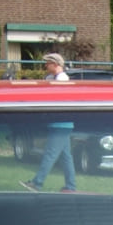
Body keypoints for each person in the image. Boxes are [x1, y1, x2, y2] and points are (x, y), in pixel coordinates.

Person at [21, 53, 76, 192]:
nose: (46, 65)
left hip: (61, 123)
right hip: (60, 123)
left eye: (48, 63)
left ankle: (37, 183)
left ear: (56, 64)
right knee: (66, 157)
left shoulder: (62, 79)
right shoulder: (51, 78)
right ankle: (71, 186)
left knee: (50, 154)